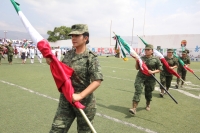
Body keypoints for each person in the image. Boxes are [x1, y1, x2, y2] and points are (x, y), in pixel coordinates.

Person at [46, 24, 103, 133]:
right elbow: (61, 71)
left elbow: (97, 80)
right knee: (56, 129)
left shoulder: (91, 57)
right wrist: (51, 61)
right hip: (66, 100)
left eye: (77, 36)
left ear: (85, 38)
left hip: (84, 103)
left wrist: (80, 96)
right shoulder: (68, 54)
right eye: (72, 36)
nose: (73, 38)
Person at [129, 44, 162, 115]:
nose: (146, 51)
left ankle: (148, 104)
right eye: (145, 50)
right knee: (138, 90)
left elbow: (160, 69)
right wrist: (137, 61)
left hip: (150, 78)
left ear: (152, 51)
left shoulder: (156, 59)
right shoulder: (141, 58)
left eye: (148, 50)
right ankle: (134, 108)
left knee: (148, 92)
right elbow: (137, 68)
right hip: (140, 76)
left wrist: (153, 71)